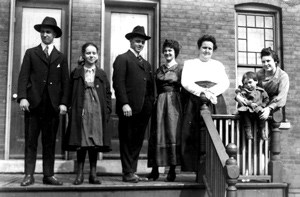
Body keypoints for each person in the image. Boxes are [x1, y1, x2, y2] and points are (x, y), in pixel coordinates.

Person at [17, 16, 70, 186]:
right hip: (34, 105)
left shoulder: (60, 57)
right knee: (31, 141)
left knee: (49, 142)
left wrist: (63, 103)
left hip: (52, 106)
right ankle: (29, 175)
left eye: (48, 32)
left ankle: (48, 175)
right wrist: (23, 97)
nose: (45, 35)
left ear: (54, 34)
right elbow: (23, 76)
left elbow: (65, 83)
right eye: (42, 32)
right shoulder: (31, 53)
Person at [181, 34, 230, 174]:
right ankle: (195, 169)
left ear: (213, 50)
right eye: (204, 48)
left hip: (215, 100)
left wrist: (211, 93)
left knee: (217, 132)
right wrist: (203, 92)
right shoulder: (190, 63)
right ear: (199, 48)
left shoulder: (218, 65)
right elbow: (186, 82)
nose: (207, 51)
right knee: (194, 133)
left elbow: (225, 83)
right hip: (195, 101)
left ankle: (215, 168)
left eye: (210, 48)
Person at [65, 43, 112, 185]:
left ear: (97, 56)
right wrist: (70, 108)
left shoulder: (102, 73)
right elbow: (69, 92)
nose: (91, 56)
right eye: (88, 53)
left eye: (94, 53)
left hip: (97, 110)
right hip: (82, 108)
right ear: (83, 55)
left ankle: (93, 174)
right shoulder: (77, 73)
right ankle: (79, 175)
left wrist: (107, 109)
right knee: (82, 142)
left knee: (94, 143)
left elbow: (108, 93)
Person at [112, 26, 155, 183]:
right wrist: (124, 103)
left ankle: (132, 171)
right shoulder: (122, 59)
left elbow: (150, 86)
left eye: (142, 42)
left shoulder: (146, 64)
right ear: (131, 41)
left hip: (144, 109)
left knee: (137, 140)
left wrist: (150, 104)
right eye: (137, 41)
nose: (140, 44)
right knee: (127, 139)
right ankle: (127, 172)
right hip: (128, 108)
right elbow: (118, 83)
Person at [147, 39, 183, 182]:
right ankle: (155, 170)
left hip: (174, 103)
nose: (168, 53)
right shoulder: (159, 69)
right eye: (166, 50)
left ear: (175, 53)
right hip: (160, 103)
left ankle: (172, 170)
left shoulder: (180, 69)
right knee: (157, 134)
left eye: (170, 50)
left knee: (172, 134)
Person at [256, 47, 289, 121]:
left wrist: (269, 108)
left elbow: (282, 96)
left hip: (274, 108)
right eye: (263, 62)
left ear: (275, 61)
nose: (266, 64)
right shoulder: (259, 74)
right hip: (260, 106)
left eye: (268, 61)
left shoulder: (282, 76)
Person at [235, 71, 269, 140]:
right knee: (244, 114)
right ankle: (248, 131)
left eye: (250, 82)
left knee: (261, 114)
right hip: (247, 108)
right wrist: (250, 104)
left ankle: (262, 130)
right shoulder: (243, 92)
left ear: (256, 81)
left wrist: (262, 106)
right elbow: (242, 100)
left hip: (257, 108)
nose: (248, 85)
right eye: (245, 83)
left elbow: (266, 99)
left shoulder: (261, 91)